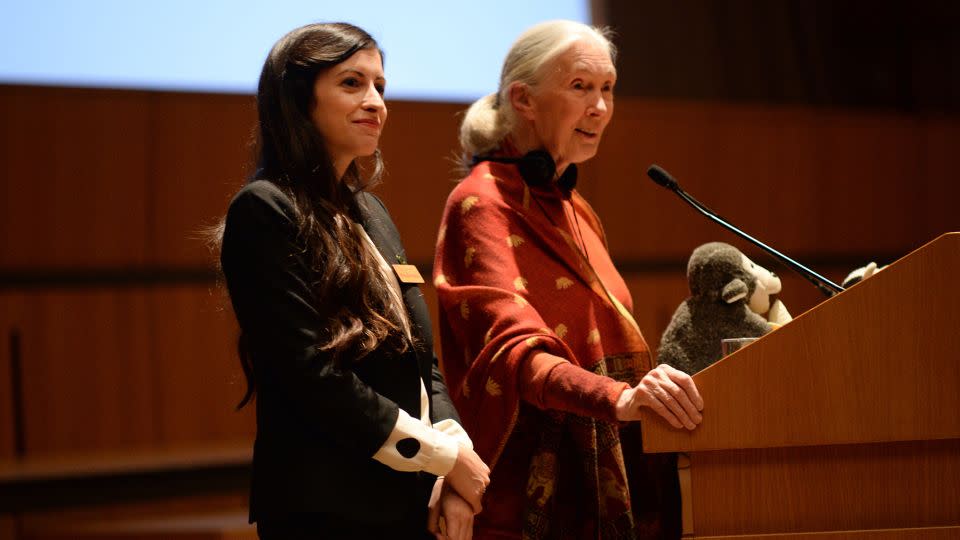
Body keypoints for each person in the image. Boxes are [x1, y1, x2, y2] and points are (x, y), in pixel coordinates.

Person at [433, 20, 703, 539]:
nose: (599, 107)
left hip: (607, 486)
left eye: (607, 88)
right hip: (531, 505)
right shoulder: (480, 203)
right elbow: (517, 356)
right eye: (580, 87)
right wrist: (619, 399)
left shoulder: (573, 206)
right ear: (523, 100)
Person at [217, 22, 489, 539]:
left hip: (407, 500)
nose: (375, 102)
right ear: (298, 99)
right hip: (326, 508)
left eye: (380, 87)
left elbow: (420, 360)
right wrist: (443, 457)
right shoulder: (264, 210)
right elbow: (311, 378)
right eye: (351, 83)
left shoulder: (372, 212)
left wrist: (453, 468)